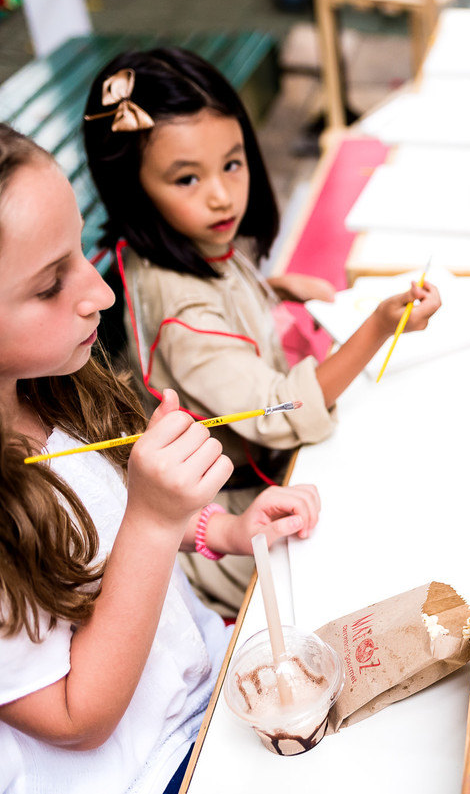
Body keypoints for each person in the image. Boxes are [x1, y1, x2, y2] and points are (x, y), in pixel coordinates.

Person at [0, 123, 321, 794]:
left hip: (208, 688)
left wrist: (221, 529)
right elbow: (76, 718)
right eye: (50, 283)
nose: (101, 292)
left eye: (81, 253)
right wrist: (151, 520)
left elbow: (109, 515)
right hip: (150, 769)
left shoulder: (51, 388)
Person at [81, 47, 441, 618]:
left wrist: (271, 288)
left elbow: (212, 301)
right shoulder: (185, 317)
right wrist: (378, 326)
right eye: (187, 178)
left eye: (232, 163)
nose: (221, 194)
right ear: (134, 189)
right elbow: (282, 409)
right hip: (242, 531)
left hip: (268, 490)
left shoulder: (180, 245)